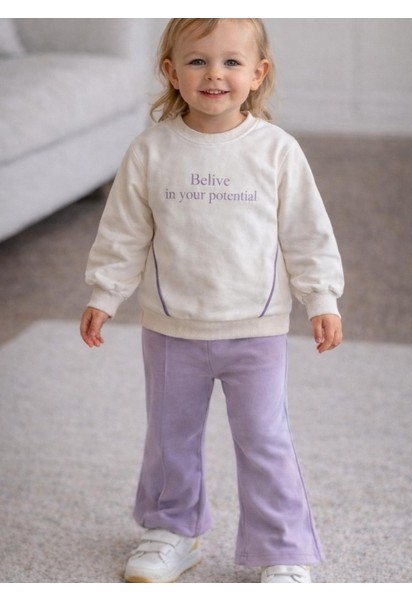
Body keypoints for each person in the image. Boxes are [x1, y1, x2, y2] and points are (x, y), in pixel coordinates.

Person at [80, 18, 344, 584]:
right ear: (171, 72)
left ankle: (283, 548)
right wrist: (106, 292)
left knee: (265, 441)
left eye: (231, 62)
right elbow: (124, 230)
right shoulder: (150, 150)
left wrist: (321, 297)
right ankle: (172, 530)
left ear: (258, 73)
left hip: (257, 330)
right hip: (171, 329)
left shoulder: (276, 150)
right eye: (197, 60)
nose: (214, 74)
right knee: (169, 438)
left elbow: (306, 231)